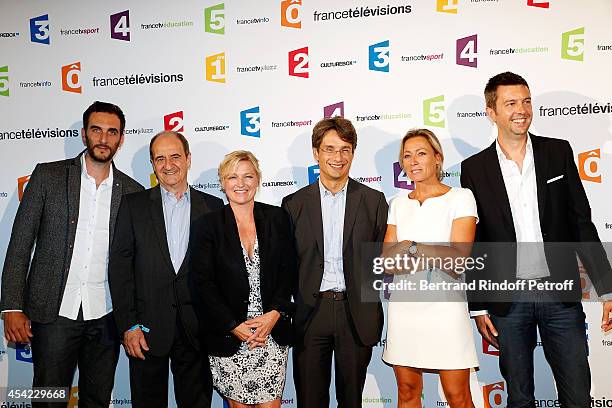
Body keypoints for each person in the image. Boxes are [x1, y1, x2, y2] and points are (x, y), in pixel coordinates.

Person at [460, 71, 612, 407]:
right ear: (491, 111)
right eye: (511, 102)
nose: (522, 109)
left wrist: (606, 287)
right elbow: (477, 240)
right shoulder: (474, 167)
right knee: (519, 397)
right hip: (507, 301)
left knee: (577, 395)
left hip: (560, 295)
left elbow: (581, 223)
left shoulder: (557, 152)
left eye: (526, 101)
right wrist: (479, 304)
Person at [0, 101, 143, 407]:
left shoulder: (133, 192)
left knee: (97, 400)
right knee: (48, 400)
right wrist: (11, 305)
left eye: (111, 132)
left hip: (106, 316)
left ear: (121, 139)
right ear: (83, 134)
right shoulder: (48, 177)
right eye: (96, 130)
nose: (103, 139)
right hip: (53, 313)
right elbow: (20, 243)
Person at [108, 131, 223, 408]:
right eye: (160, 158)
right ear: (152, 163)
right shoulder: (133, 205)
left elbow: (219, 274)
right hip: (145, 332)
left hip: (197, 331)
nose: (168, 165)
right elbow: (120, 269)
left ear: (188, 159)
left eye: (175, 156)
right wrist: (129, 325)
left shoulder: (213, 207)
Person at [282, 117, 388, 408]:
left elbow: (381, 260)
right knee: (310, 401)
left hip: (356, 314)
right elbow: (287, 264)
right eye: (329, 149)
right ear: (316, 153)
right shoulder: (293, 204)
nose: (337, 157)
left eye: (345, 149)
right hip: (309, 314)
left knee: (351, 400)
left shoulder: (374, 201)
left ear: (353, 153)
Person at [381, 128, 478, 408]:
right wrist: (432, 251)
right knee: (407, 392)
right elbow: (387, 262)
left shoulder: (460, 197)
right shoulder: (398, 204)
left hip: (446, 310)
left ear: (437, 158)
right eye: (407, 156)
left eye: (421, 153)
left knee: (457, 396)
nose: (413, 161)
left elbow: (457, 260)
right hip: (404, 310)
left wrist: (411, 246)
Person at [190, 150, 295, 408]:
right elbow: (203, 283)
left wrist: (274, 315)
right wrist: (233, 326)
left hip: (269, 332)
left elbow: (290, 270)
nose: (241, 184)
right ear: (223, 182)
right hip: (230, 335)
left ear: (258, 179)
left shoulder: (277, 218)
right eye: (233, 177)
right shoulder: (208, 225)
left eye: (248, 176)